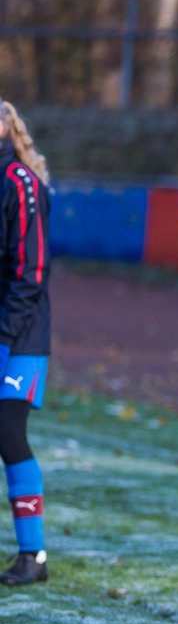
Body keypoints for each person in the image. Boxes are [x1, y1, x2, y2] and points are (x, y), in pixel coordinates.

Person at [0, 99, 52, 587]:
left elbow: (31, 271)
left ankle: (33, 555)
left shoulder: (21, 183)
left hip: (21, 338)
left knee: (9, 433)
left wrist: (4, 336)